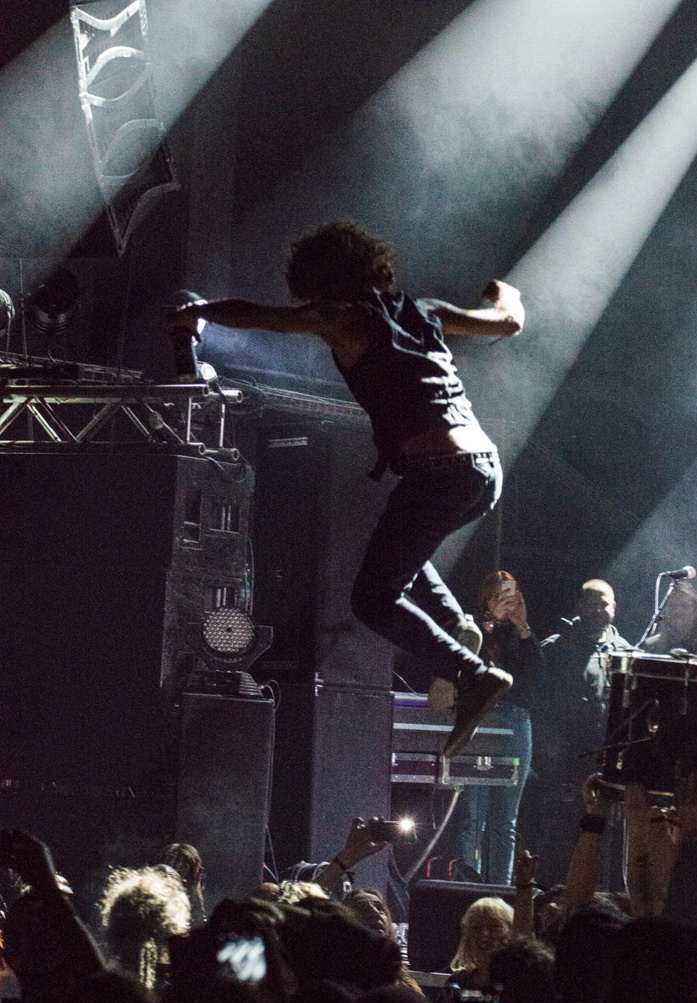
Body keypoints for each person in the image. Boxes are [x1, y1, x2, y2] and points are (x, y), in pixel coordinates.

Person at [166, 221, 525, 756]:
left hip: (439, 471)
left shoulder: (342, 317)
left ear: (316, 280)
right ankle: (455, 625)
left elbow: (261, 315)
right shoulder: (423, 310)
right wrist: (506, 291)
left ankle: (472, 673)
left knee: (374, 598)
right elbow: (509, 323)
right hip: (482, 469)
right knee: (398, 554)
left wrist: (197, 311)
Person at [531, 579, 632, 888]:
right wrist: (547, 744)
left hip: (604, 766)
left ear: (614, 608)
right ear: (579, 606)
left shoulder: (627, 654)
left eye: (603, 604)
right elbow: (535, 703)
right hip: (561, 764)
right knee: (556, 842)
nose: (596, 610)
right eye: (590, 603)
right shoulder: (554, 648)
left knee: (602, 843)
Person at [453, 571, 541, 884]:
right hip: (481, 718)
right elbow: (464, 663)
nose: (508, 602)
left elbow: (536, 674)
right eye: (500, 596)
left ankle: (501, 887)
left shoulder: (518, 633)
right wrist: (488, 623)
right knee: (473, 814)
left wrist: (524, 628)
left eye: (512, 596)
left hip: (516, 720)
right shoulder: (472, 627)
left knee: (506, 818)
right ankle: (468, 883)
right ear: (486, 598)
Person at [644, 578, 697, 658]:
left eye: (684, 605)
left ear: (695, 611)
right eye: (673, 606)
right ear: (665, 611)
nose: (678, 611)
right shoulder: (650, 647)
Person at [449, 896, 513, 990]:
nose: (484, 934)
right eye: (476, 928)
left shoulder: (521, 977)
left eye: (494, 926)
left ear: (511, 930)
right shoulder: (459, 980)